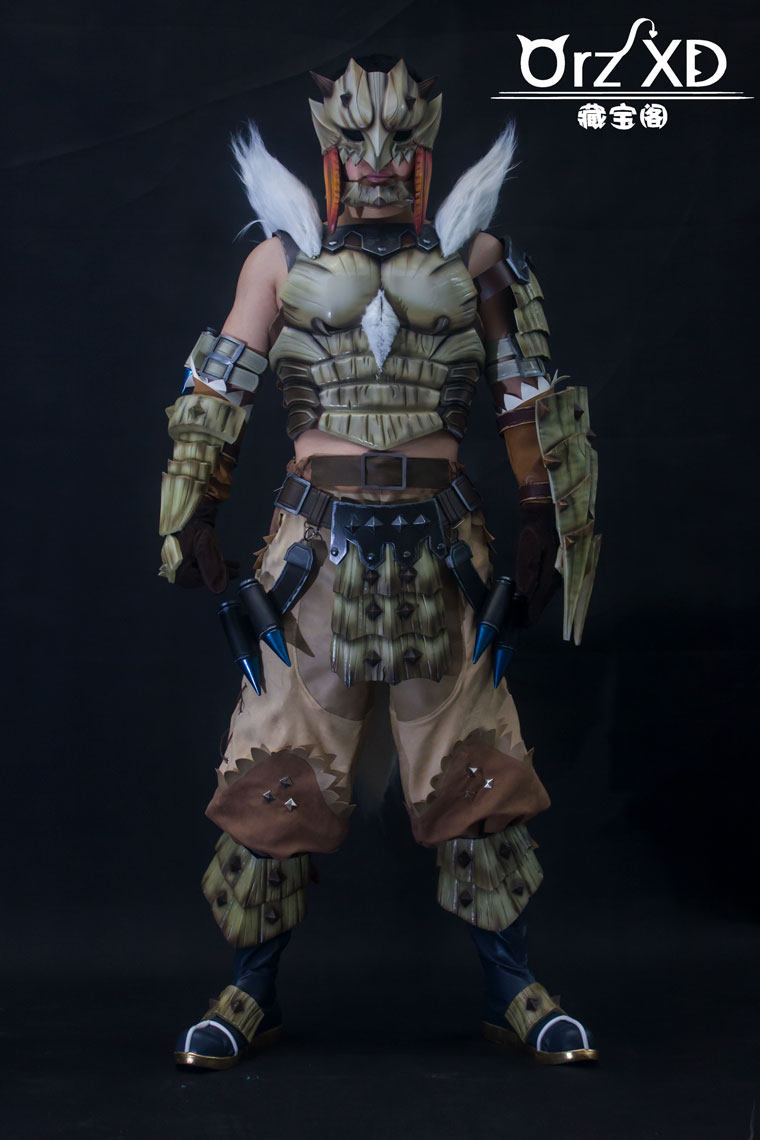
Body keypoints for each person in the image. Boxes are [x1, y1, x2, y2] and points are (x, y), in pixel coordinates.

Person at [159, 55, 601, 1071]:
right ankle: (250, 990)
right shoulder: (278, 260)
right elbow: (217, 392)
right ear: (327, 148)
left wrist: (544, 518)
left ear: (424, 147)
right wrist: (196, 521)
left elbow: (528, 395)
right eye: (356, 140)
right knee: (276, 773)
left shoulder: (476, 254)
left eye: (397, 140)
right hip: (311, 556)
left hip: (445, 551)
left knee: (477, 775)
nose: (375, 159)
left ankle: (513, 989)